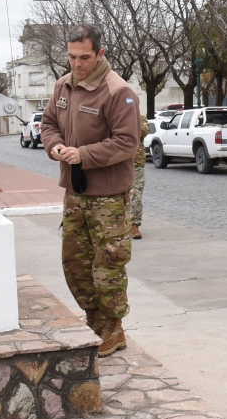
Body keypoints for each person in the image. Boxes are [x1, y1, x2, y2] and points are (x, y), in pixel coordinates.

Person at [40, 24, 141, 357]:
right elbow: (49, 125)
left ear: (100, 53)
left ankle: (114, 328)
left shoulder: (118, 91)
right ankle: (95, 319)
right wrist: (55, 147)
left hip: (108, 198)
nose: (77, 64)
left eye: (84, 57)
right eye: (71, 57)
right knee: (75, 262)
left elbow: (127, 143)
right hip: (75, 192)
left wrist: (82, 154)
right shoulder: (63, 86)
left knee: (108, 264)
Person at [129, 114, 149, 239]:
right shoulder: (114, 115)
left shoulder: (140, 117)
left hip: (136, 162)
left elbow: (144, 131)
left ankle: (134, 225)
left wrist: (131, 119)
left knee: (136, 193)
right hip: (117, 161)